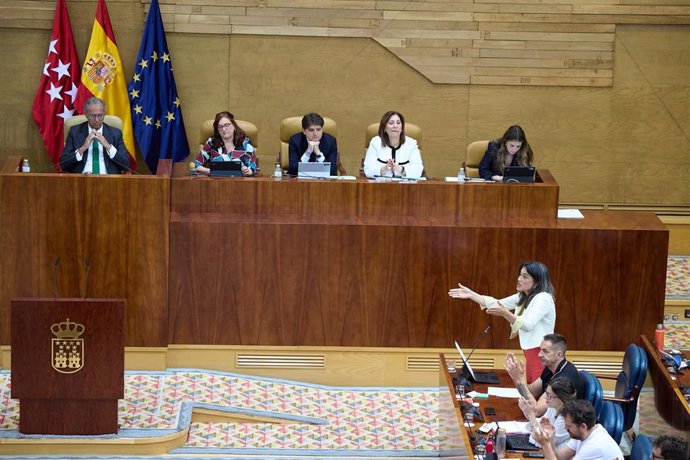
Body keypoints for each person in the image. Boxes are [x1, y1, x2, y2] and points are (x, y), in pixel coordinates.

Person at [448, 261, 555, 383]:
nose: (519, 279)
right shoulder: (523, 296)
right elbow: (497, 304)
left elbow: (527, 325)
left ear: (537, 282)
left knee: (540, 392)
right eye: (520, 275)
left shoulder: (543, 298)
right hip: (531, 352)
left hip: (542, 352)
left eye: (525, 277)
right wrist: (471, 294)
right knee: (533, 390)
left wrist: (505, 313)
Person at [506, 334, 584, 417]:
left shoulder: (563, 378)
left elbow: (536, 411)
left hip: (569, 425)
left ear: (558, 355)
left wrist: (519, 379)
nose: (539, 354)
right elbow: (531, 390)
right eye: (540, 350)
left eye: (545, 351)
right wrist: (515, 377)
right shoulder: (550, 367)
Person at [533, 399, 624, 460]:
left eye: (568, 426)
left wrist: (545, 444)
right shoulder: (584, 433)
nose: (565, 428)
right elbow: (560, 457)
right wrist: (550, 440)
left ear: (583, 426)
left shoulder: (594, 446)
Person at [60, 97, 131, 174]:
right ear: (86, 115)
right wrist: (83, 148)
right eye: (93, 116)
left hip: (109, 180)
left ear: (104, 114)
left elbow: (126, 164)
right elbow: (63, 163)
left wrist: (108, 146)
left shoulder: (115, 133)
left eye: (100, 115)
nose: (97, 120)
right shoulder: (75, 131)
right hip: (82, 179)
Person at [519, 376, 577, 449]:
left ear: (562, 400)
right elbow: (540, 424)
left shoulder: (566, 420)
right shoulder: (553, 407)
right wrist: (528, 413)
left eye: (549, 396)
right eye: (546, 393)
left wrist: (531, 416)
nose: (546, 398)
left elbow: (544, 443)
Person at [363, 111, 423, 179]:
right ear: (384, 128)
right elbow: (368, 170)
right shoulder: (375, 143)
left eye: (398, 123)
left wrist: (400, 169)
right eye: (391, 123)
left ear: (402, 128)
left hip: (405, 187)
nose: (395, 126)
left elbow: (418, 171)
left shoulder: (411, 144)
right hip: (380, 186)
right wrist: (384, 169)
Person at [194, 111, 257, 176]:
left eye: (227, 125)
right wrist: (211, 171)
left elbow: (253, 166)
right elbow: (196, 165)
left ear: (233, 125)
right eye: (220, 126)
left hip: (240, 182)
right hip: (217, 183)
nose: (224, 129)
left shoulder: (245, 142)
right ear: (217, 130)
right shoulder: (211, 142)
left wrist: (248, 171)